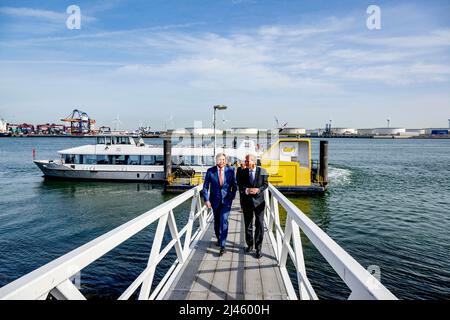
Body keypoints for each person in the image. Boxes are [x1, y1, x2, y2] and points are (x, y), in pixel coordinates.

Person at [202, 153, 237, 256]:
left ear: (225, 160)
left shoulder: (230, 170)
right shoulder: (210, 171)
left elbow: (234, 185)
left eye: (223, 159)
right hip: (214, 200)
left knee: (224, 220)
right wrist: (207, 200)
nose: (221, 161)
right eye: (219, 160)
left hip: (226, 200)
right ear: (216, 161)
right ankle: (218, 238)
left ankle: (223, 245)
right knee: (217, 221)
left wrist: (232, 195)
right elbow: (205, 187)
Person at [237, 154, 268, 259]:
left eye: (247, 161)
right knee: (248, 224)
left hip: (259, 202)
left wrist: (258, 190)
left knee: (259, 224)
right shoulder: (242, 172)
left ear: (254, 162)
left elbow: (266, 184)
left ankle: (258, 248)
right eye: (245, 161)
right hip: (247, 202)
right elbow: (240, 185)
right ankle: (250, 245)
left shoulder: (263, 171)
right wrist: (246, 190)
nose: (245, 163)